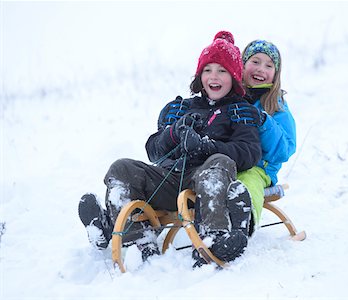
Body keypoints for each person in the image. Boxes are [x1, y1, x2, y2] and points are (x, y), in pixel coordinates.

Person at [78, 30, 263, 266]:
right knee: (121, 168)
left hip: (205, 183)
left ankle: (214, 237)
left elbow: (249, 152)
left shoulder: (238, 111)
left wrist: (206, 147)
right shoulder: (182, 108)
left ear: (234, 77)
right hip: (169, 178)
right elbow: (153, 151)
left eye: (222, 71)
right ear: (199, 76)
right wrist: (174, 133)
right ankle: (136, 241)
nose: (213, 77)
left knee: (220, 162)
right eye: (207, 70)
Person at [229, 40, 296, 231]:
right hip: (229, 160)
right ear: (242, 65)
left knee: (247, 182)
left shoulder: (276, 105)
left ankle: (242, 225)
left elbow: (285, 149)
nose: (261, 69)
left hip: (259, 167)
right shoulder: (230, 96)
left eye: (268, 65)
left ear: (275, 74)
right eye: (255, 61)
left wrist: (264, 122)